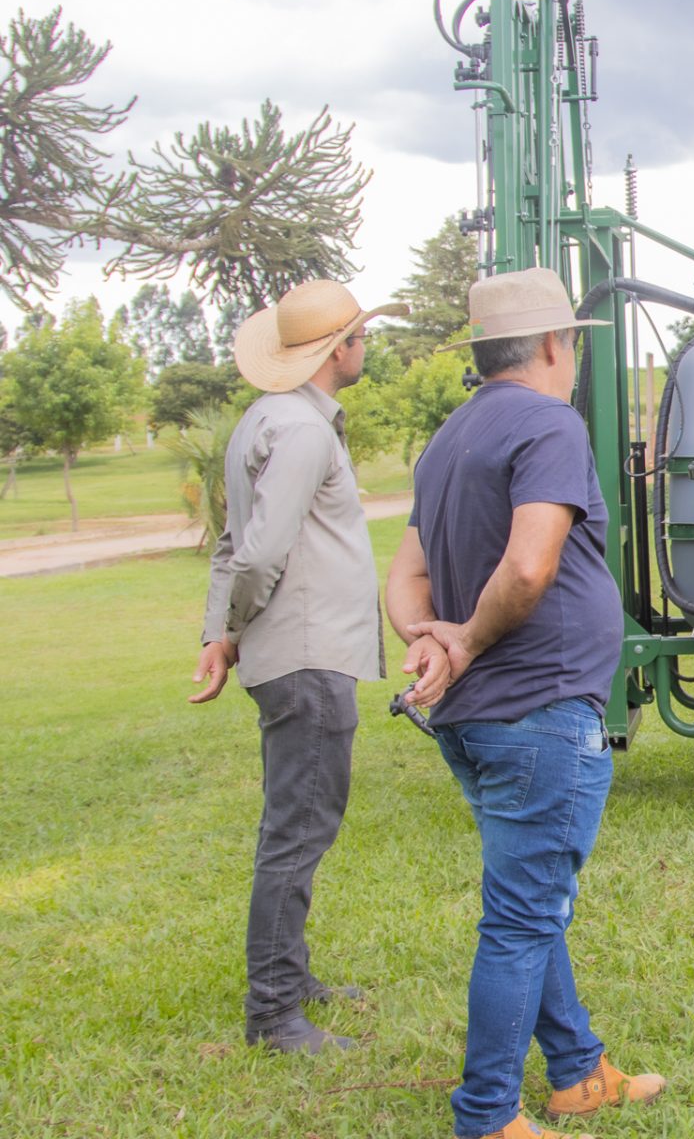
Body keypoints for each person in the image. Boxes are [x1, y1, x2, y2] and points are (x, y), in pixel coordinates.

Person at [385, 267, 664, 1139]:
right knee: (521, 916)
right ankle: (486, 1116)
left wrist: (425, 634)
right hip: (540, 711)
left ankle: (578, 1071)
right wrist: (462, 638)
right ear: (554, 345)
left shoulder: (446, 439)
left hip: (474, 720)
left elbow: (405, 575)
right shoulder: (549, 423)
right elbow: (534, 563)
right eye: (572, 342)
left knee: (528, 897)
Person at [191, 278, 406, 1054]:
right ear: (337, 349)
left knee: (296, 824)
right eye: (358, 336)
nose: (364, 347)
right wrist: (236, 630)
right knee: (298, 830)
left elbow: (228, 548)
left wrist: (219, 636)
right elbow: (258, 555)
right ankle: (275, 1012)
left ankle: (292, 976)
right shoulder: (304, 432)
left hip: (298, 657)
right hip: (308, 658)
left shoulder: (265, 420)